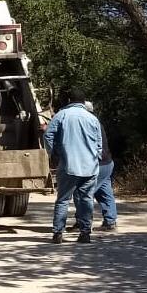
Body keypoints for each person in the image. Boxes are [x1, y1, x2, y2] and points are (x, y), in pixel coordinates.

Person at [43, 87, 102, 244]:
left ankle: (58, 234)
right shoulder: (92, 118)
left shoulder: (61, 115)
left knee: (63, 199)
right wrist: (97, 156)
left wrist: (54, 153)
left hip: (69, 165)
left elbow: (48, 134)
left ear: (69, 101)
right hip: (90, 166)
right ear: (83, 102)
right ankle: (85, 233)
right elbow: (99, 142)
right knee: (86, 199)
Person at [68, 101, 118, 232]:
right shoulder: (96, 121)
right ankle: (110, 221)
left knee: (81, 193)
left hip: (98, 164)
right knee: (104, 192)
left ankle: (82, 223)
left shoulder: (88, 123)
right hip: (107, 163)